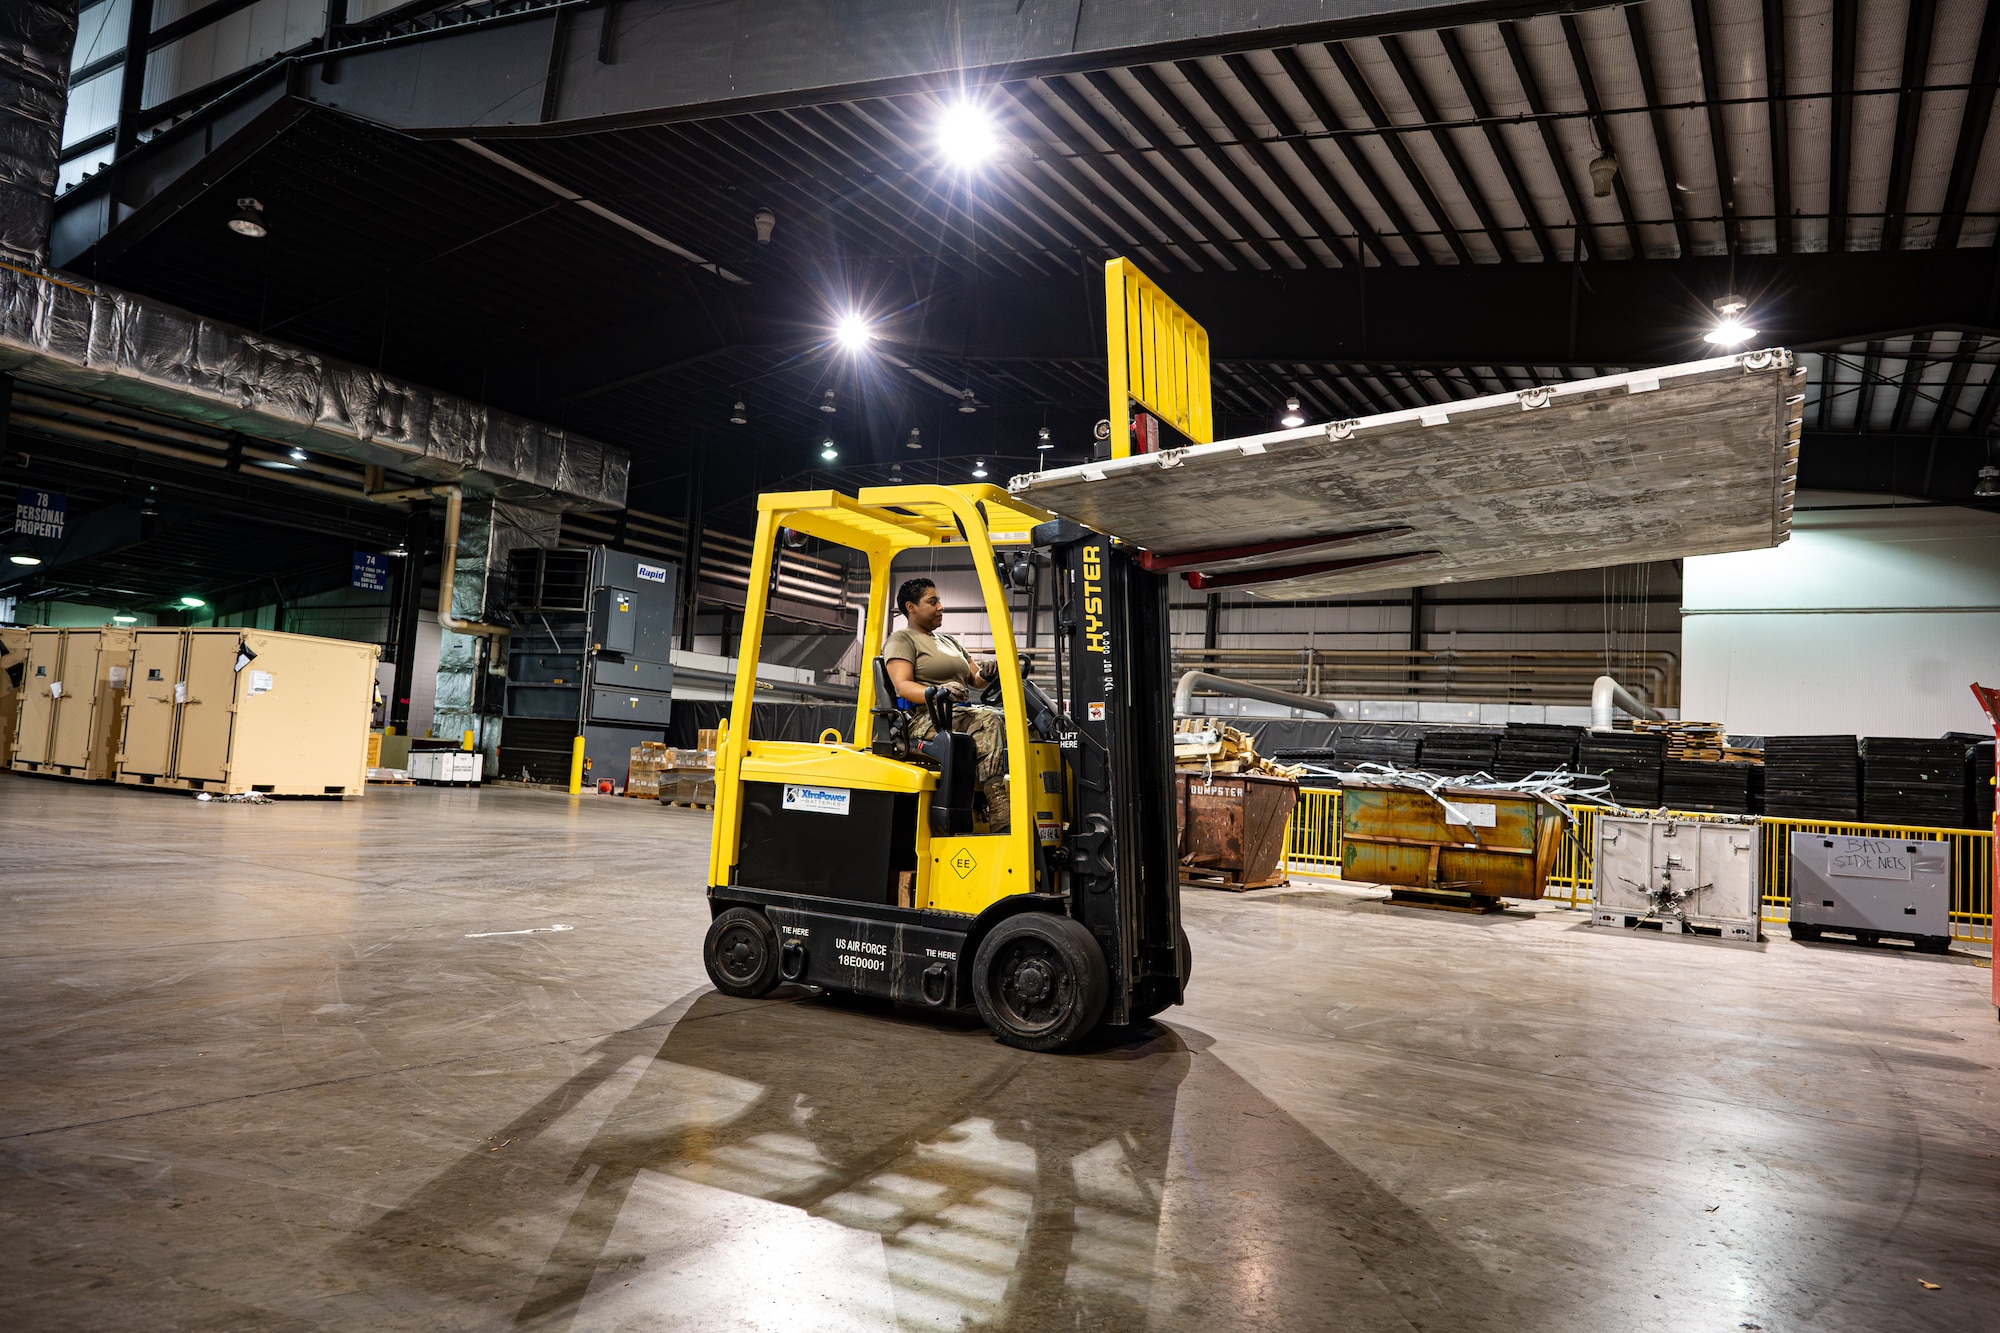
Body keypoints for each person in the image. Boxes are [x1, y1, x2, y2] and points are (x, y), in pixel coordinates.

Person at [881, 577, 1009, 833]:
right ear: (911, 607)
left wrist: (987, 673)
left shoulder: (949, 641)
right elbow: (902, 686)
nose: (940, 607)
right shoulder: (902, 640)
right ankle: (1000, 808)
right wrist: (938, 691)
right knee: (989, 721)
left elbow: (974, 679)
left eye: (939, 601)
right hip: (926, 719)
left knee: (1014, 721)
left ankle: (1007, 791)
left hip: (958, 713)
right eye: (933, 601)